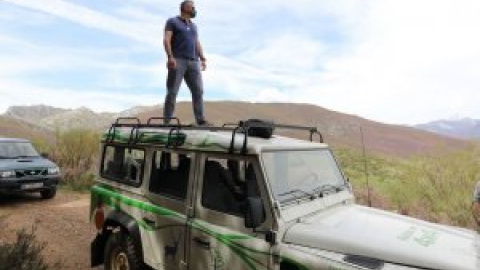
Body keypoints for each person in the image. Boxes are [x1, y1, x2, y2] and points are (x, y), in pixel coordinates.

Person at [163, 0, 209, 125]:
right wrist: (170, 57)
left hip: (194, 62)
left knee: (198, 91)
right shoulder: (172, 22)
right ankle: (167, 121)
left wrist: (203, 58)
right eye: (192, 7)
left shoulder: (194, 26)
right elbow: (167, 39)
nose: (194, 9)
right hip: (178, 60)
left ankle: (200, 120)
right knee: (172, 91)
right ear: (185, 8)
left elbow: (196, 42)